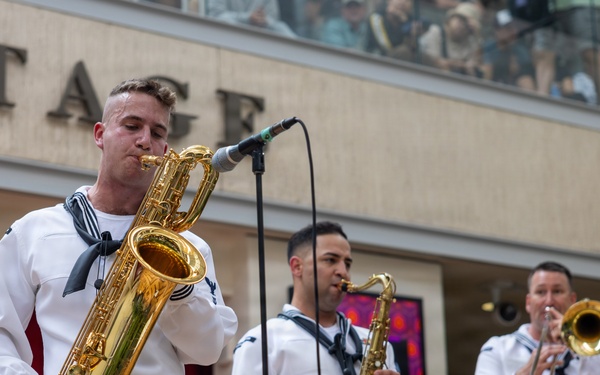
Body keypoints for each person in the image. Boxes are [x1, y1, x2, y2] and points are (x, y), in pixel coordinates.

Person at [0, 78, 238, 374]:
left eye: (157, 132)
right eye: (131, 125)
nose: (144, 140)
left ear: (165, 150)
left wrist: (177, 290)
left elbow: (207, 351)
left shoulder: (189, 249)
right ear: (100, 134)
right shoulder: (33, 231)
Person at [231, 221, 400, 374]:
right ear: (297, 267)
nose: (343, 271)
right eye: (330, 260)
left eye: (347, 263)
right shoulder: (262, 342)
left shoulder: (376, 345)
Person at [474, 261, 600, 374]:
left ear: (572, 300)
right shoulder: (497, 349)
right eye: (541, 292)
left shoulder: (594, 354)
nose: (549, 301)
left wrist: (575, 342)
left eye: (557, 291)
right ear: (528, 302)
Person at [419, 2, 485, 78]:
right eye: (460, 19)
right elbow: (434, 62)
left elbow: (476, 67)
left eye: (467, 24)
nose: (462, 25)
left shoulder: (470, 42)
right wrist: (463, 65)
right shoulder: (436, 32)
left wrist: (477, 34)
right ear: (450, 19)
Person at [481, 9, 536, 91]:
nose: (514, 31)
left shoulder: (520, 50)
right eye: (508, 28)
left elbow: (527, 74)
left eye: (514, 28)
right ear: (497, 30)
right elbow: (486, 74)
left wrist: (517, 71)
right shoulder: (489, 47)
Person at [365, 0, 431, 62]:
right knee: (404, 51)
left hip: (406, 59)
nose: (403, 2)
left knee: (430, 60)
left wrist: (406, 23)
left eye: (407, 0)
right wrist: (405, 28)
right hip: (378, 60)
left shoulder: (408, 19)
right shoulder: (376, 18)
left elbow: (427, 24)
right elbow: (387, 45)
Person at [206, 0, 297, 38]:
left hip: (261, 48)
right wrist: (247, 18)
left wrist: (266, 21)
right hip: (227, 43)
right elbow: (216, 18)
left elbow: (276, 24)